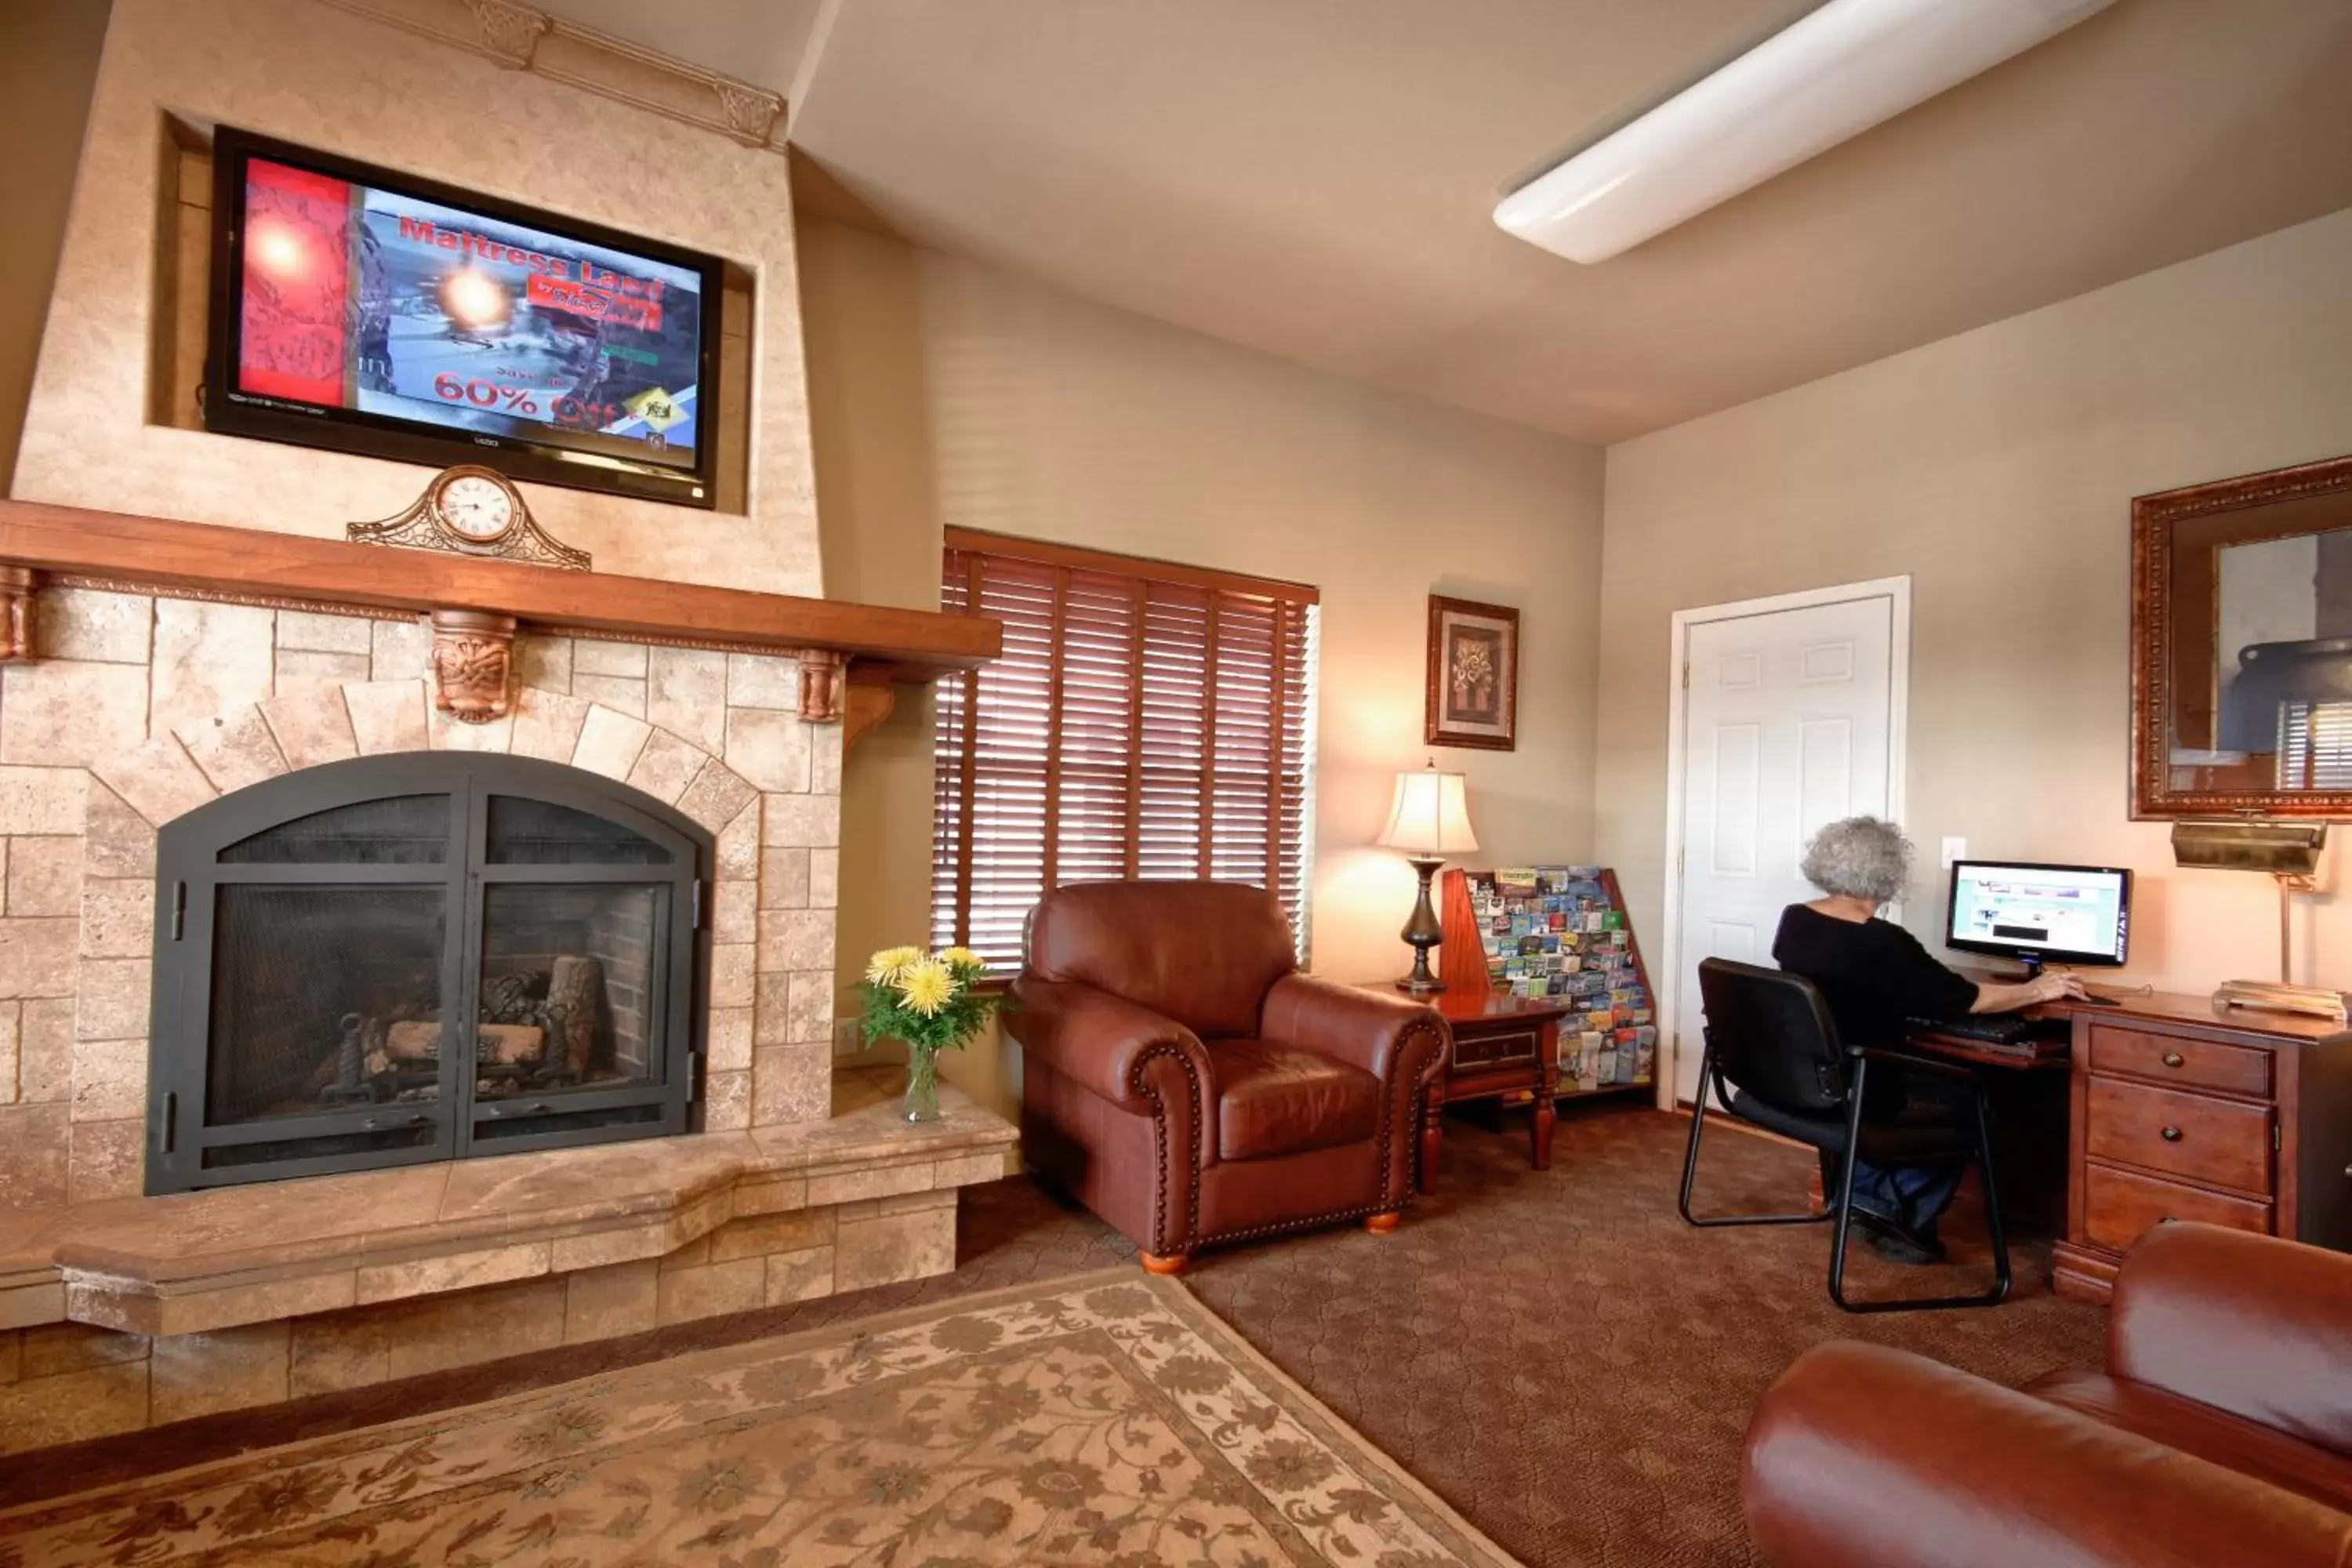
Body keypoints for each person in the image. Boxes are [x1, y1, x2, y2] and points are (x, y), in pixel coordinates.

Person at [1772, 816, 2084, 1265]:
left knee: (1952, 1088)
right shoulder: (1883, 941)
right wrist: (2037, 990)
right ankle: (1895, 1208)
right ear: (1888, 874)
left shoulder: (1798, 920)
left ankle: (1866, 1197)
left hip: (1816, 1080)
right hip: (1865, 1083)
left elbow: (1895, 985)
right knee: (1981, 1099)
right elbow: (1966, 1000)